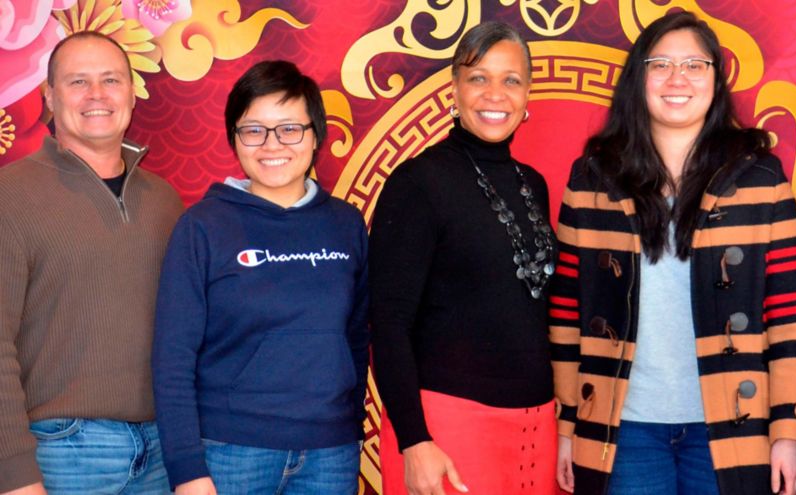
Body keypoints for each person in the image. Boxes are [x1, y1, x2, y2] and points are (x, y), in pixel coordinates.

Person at [549, 11, 796, 495]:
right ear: (638, 78)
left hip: (734, 425)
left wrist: (788, 432)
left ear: (716, 78)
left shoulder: (761, 180)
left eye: (695, 65)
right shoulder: (592, 179)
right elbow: (567, 310)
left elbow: (790, 314)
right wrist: (569, 424)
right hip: (623, 428)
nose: (678, 79)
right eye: (661, 64)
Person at [151, 60, 369, 495]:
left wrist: (344, 423)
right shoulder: (203, 227)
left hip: (330, 453)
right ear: (235, 138)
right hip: (231, 452)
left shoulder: (347, 224)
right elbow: (172, 357)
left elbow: (356, 339)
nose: (272, 145)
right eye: (254, 130)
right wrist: (186, 469)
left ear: (315, 136)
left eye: (290, 128)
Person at [369, 21, 558, 495]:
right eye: (479, 78)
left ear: (528, 93)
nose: (495, 94)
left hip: (537, 429)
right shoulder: (417, 182)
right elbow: (387, 322)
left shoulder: (532, 183)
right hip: (446, 432)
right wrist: (414, 440)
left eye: (510, 80)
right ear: (454, 89)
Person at [0, 31, 183, 494]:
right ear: (49, 96)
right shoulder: (10, 195)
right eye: (78, 81)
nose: (97, 95)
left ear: (131, 92)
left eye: (111, 80)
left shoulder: (166, 201)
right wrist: (16, 475)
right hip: (61, 452)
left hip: (162, 450)